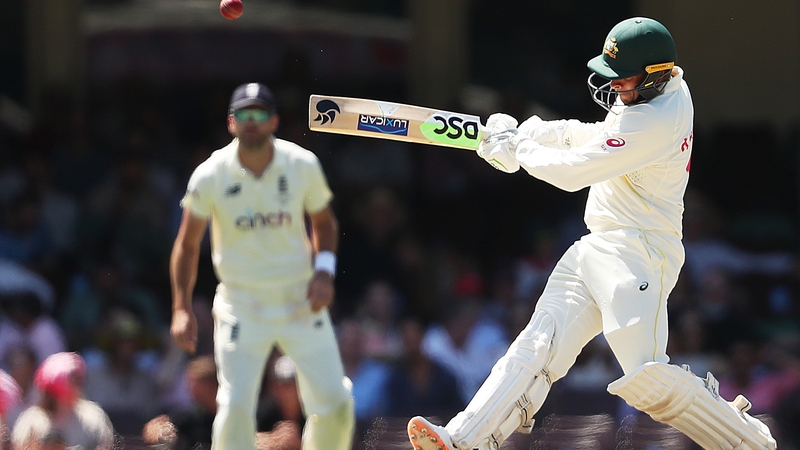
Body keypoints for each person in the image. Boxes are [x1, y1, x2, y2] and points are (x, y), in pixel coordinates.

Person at [406, 17, 777, 450]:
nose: (615, 87)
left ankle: (750, 443)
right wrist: (537, 130)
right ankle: (464, 439)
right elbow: (599, 136)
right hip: (597, 244)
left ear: (656, 77)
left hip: (638, 253)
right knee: (538, 346)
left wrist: (519, 149)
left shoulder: (659, 118)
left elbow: (574, 172)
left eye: (624, 79)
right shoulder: (647, 91)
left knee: (649, 380)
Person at [170, 82, 354, 450]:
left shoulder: (301, 164)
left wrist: (324, 273)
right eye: (243, 115)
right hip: (242, 304)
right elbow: (187, 245)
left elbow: (324, 224)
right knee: (235, 407)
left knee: (335, 402)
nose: (251, 122)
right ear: (230, 123)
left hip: (300, 298)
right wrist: (180, 308)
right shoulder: (210, 174)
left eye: (259, 115)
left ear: (274, 121)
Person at [11, 352, 114, 450]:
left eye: (79, 378)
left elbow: (106, 446)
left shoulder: (94, 416)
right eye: (73, 379)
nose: (78, 384)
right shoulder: (31, 421)